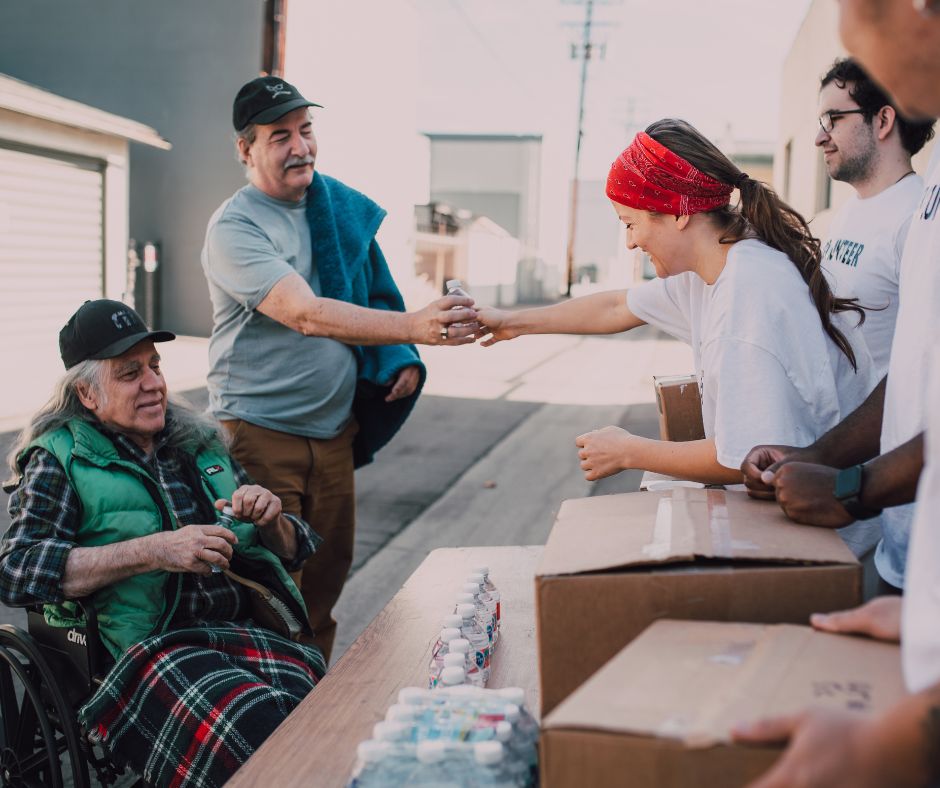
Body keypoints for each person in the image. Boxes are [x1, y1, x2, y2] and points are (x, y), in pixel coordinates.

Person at [201, 76, 478, 662]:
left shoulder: (334, 206)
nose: (300, 146)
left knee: (325, 583)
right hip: (258, 434)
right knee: (273, 591)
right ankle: (269, 719)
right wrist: (415, 329)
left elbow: (371, 292)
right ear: (245, 149)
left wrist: (396, 355)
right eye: (281, 136)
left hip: (332, 436)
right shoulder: (236, 228)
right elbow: (304, 313)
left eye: (306, 130)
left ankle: (311, 701)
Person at [735, 0, 940, 784]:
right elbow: (912, 379)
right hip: (905, 552)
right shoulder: (925, 203)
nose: (850, 17)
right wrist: (820, 455)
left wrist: (853, 487)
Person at [0, 299, 325, 788]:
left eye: (155, 366)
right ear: (87, 393)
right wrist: (154, 550)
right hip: (145, 650)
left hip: (241, 630)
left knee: (324, 724)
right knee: (259, 734)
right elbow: (16, 570)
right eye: (130, 373)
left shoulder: (199, 442)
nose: (153, 383)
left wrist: (272, 519)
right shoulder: (59, 459)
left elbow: (298, 547)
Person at [478, 120, 875, 519]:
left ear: (678, 211)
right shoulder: (719, 264)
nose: (630, 242)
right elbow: (617, 307)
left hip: (828, 537)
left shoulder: (746, 300)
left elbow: (745, 458)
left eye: (631, 224)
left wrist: (628, 450)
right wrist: (511, 323)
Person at [817, 57, 933, 377]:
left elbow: (919, 371)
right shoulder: (849, 211)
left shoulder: (918, 220)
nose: (819, 137)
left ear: (882, 120)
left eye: (833, 118)